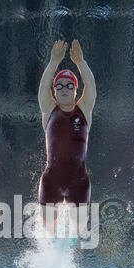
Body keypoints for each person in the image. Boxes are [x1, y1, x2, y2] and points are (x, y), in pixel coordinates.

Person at [38, 40, 96, 238]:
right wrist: (54, 61)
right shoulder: (48, 109)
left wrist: (81, 62)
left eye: (69, 85)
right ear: (54, 91)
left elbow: (91, 85)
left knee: (78, 234)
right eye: (59, 86)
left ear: (75, 90)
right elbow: (44, 83)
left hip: (79, 183)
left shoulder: (84, 110)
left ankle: (72, 262)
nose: (64, 89)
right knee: (49, 235)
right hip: (51, 182)